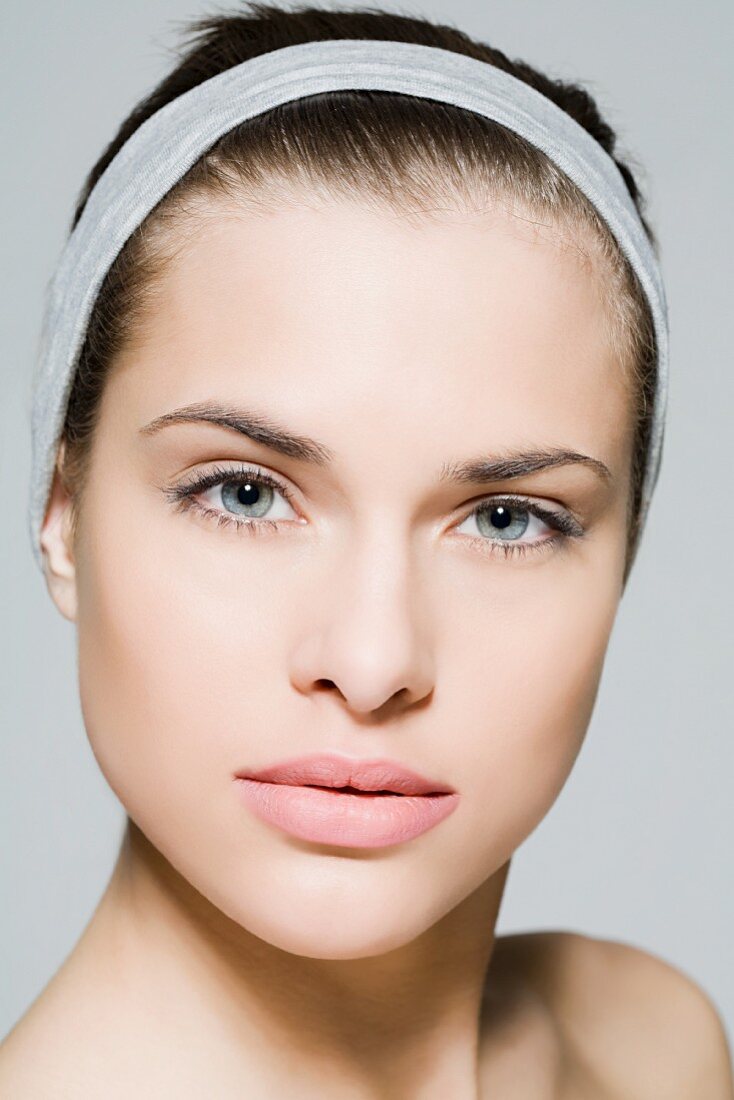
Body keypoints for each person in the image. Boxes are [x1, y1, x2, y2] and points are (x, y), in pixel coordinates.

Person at [2, 4, 732, 1096]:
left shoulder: (649, 1040)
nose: (375, 657)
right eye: (243, 492)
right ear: (62, 513)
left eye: (506, 517)